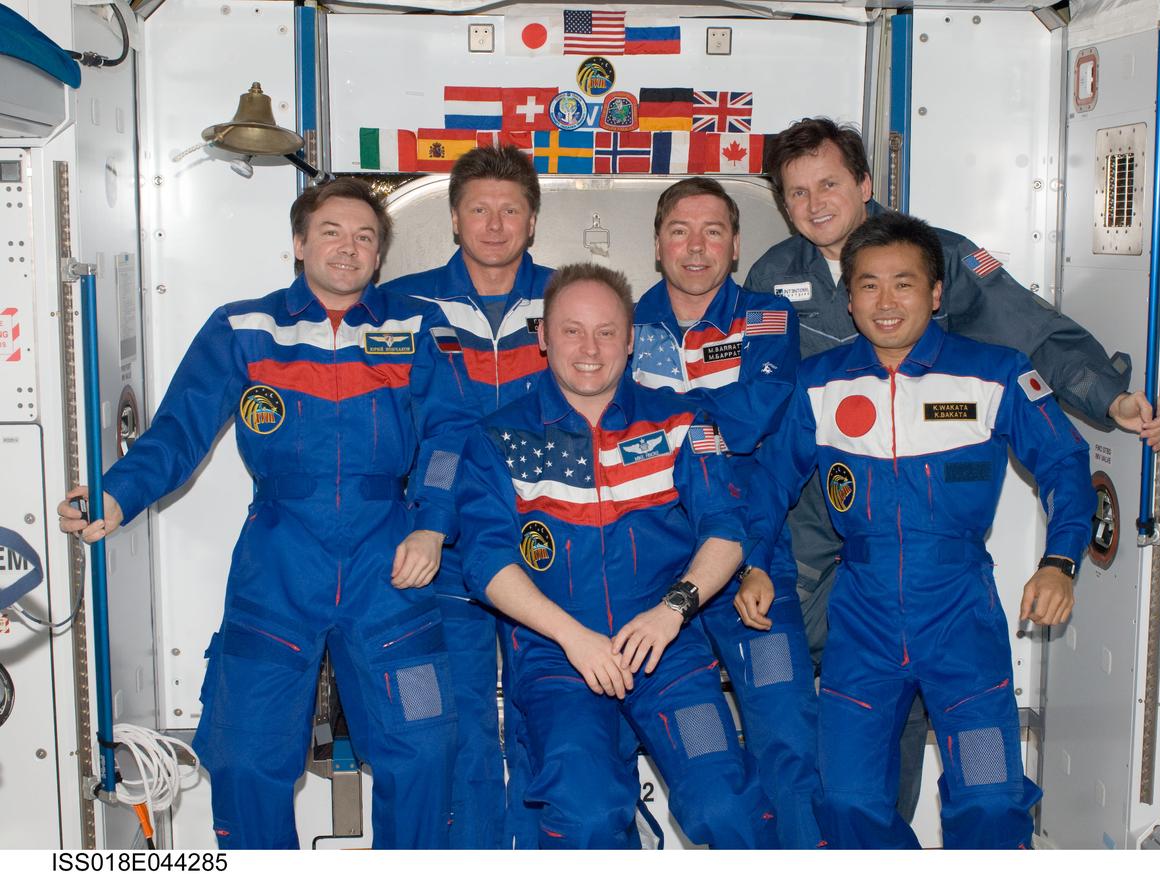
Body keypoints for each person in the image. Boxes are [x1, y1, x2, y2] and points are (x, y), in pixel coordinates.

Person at [744, 116, 1160, 822]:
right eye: (796, 193)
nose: (815, 203)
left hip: (928, 516)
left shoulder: (940, 255)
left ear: (864, 184)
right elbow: (767, 395)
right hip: (819, 505)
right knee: (818, 678)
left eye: (829, 183)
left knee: (951, 746)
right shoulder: (773, 274)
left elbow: (1031, 330)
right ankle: (838, 833)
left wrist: (1107, 395)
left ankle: (896, 815)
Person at [56, 179, 458, 849]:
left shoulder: (415, 327)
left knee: (423, 754)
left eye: (364, 236)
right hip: (278, 561)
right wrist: (117, 493)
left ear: (380, 254)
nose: (347, 247)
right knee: (246, 759)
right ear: (299, 243)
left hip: (389, 563)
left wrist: (432, 522)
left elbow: (449, 436)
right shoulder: (245, 328)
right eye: (330, 231)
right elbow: (178, 430)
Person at [754, 212, 1092, 848]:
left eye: (904, 284)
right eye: (869, 285)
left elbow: (1066, 463)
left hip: (961, 615)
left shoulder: (995, 373)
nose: (886, 303)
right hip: (862, 618)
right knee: (846, 800)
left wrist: (1061, 560)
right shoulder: (817, 384)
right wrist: (750, 565)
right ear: (848, 297)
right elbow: (768, 487)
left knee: (991, 802)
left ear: (936, 294)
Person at [452, 263, 779, 849]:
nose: (589, 349)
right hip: (557, 659)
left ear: (630, 341)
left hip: (667, 650)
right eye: (571, 330)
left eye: (606, 332)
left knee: (725, 803)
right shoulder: (497, 438)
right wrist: (573, 638)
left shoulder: (685, 421)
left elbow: (727, 530)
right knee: (586, 812)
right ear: (543, 338)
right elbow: (485, 562)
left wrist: (672, 611)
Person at [629, 178, 820, 848]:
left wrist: (756, 561)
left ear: (736, 245)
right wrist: (699, 428)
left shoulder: (765, 320)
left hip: (751, 565)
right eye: (680, 229)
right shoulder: (622, 326)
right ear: (657, 244)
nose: (696, 245)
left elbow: (760, 437)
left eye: (714, 230)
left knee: (788, 742)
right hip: (655, 575)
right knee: (707, 773)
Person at [381, 145, 550, 849]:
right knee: (465, 721)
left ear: (532, 221)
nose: (494, 223)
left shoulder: (569, 300)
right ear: (453, 218)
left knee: (552, 718)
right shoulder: (403, 304)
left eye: (510, 209)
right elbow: (382, 423)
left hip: (551, 541)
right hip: (444, 547)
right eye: (478, 208)